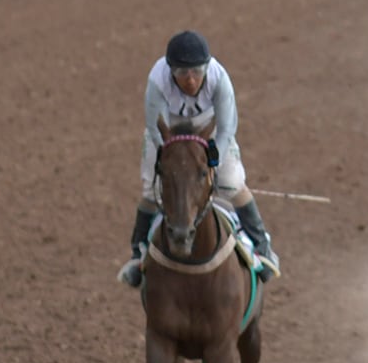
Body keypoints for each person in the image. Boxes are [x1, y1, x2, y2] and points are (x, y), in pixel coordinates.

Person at [118, 31, 279, 288]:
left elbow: (227, 128)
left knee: (232, 183)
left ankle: (262, 247)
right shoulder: (157, 81)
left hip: (210, 128)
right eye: (182, 74)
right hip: (167, 131)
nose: (190, 80)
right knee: (150, 189)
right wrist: (168, 157)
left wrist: (213, 159)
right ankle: (137, 256)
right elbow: (154, 126)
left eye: (196, 72)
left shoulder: (220, 79)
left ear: (206, 68)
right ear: (171, 71)